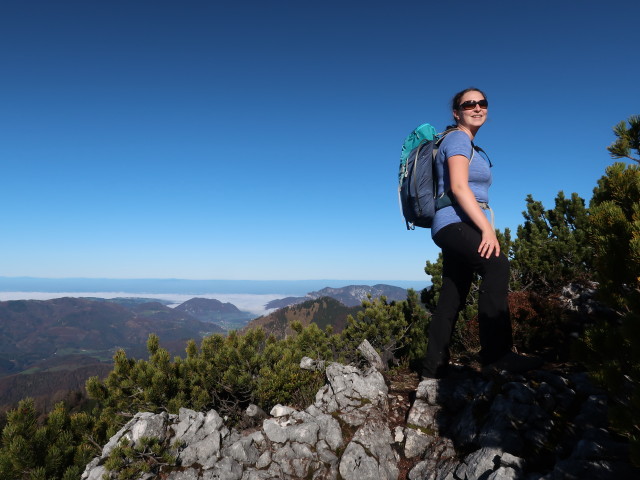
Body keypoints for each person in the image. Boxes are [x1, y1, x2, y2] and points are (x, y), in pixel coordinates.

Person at [421, 87, 542, 378]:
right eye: (469, 104)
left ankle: (432, 369)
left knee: (452, 294)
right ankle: (497, 355)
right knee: (497, 265)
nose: (477, 108)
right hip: (454, 222)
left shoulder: (464, 143)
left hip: (450, 225)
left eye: (482, 103)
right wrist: (488, 229)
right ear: (456, 112)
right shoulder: (459, 139)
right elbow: (459, 187)